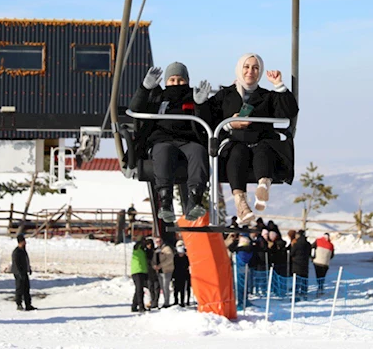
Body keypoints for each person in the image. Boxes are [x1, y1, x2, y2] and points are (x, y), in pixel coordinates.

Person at [201, 53, 299, 225]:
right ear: (240, 68)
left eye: (255, 68)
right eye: (247, 67)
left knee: (263, 149)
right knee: (237, 151)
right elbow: (208, 118)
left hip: (261, 141)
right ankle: (241, 203)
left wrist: (279, 86)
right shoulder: (226, 95)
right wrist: (230, 123)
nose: (250, 71)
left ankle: (263, 185)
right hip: (233, 141)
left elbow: (288, 111)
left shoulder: (267, 96)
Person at [130, 62, 211, 222]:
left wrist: (201, 105)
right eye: (172, 80)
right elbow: (135, 109)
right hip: (162, 139)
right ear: (166, 81)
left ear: (187, 81)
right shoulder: (158, 97)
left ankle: (195, 199)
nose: (176, 84)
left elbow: (206, 120)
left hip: (188, 139)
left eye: (180, 80)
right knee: (163, 153)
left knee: (198, 152)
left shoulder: (192, 97)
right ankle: (166, 201)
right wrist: (145, 89)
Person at [11, 233, 36, 311]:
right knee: (19, 288)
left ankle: (28, 304)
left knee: (26, 288)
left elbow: (25, 261)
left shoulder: (23, 250)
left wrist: (28, 268)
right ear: (20, 242)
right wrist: (19, 273)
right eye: (23, 241)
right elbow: (16, 264)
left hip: (24, 272)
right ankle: (19, 304)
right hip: (18, 273)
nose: (25, 243)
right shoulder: (16, 252)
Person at [153, 237, 175, 307]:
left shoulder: (167, 249)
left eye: (159, 241)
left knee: (166, 286)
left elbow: (170, 259)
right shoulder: (156, 250)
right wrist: (154, 266)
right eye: (157, 241)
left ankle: (167, 302)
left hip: (167, 270)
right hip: (159, 271)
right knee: (162, 287)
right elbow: (154, 259)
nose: (158, 242)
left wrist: (160, 265)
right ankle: (165, 300)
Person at [290, 230, 311, 301]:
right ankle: (304, 293)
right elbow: (309, 254)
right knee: (304, 279)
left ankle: (296, 294)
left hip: (297, 264)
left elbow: (291, 253)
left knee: (297, 280)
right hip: (305, 264)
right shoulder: (308, 244)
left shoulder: (296, 244)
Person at [130, 238, 148, 313]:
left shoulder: (143, 251)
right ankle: (141, 306)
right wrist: (141, 242)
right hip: (137, 271)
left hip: (142, 271)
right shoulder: (137, 249)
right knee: (139, 290)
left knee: (138, 289)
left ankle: (134, 306)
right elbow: (136, 246)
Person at [172, 241, 191, 307]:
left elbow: (188, 265)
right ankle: (176, 301)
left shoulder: (186, 257)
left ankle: (183, 301)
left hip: (184, 274)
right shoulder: (175, 257)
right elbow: (174, 266)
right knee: (176, 289)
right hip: (177, 274)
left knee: (184, 289)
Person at [144, 237, 160, 309]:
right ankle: (152, 301)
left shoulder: (155, 251)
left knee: (156, 287)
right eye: (148, 244)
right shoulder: (145, 252)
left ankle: (155, 302)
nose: (149, 245)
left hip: (156, 271)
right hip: (148, 272)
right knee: (150, 288)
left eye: (150, 244)